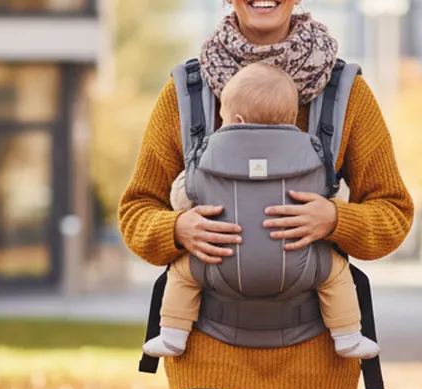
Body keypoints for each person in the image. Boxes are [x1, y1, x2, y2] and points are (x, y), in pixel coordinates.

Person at [116, 0, 414, 389]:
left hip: (316, 349)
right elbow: (136, 209)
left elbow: (393, 213)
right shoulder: (186, 95)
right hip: (209, 345)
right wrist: (176, 229)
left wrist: (334, 219)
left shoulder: (347, 95)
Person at [143, 62, 381, 361]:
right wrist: (335, 215)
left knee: (181, 276)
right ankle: (347, 336)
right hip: (305, 265)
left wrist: (179, 222)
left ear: (237, 119)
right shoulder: (314, 154)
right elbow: (339, 193)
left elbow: (182, 194)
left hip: (216, 263)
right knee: (336, 275)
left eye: (223, 116)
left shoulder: (206, 155)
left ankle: (173, 334)